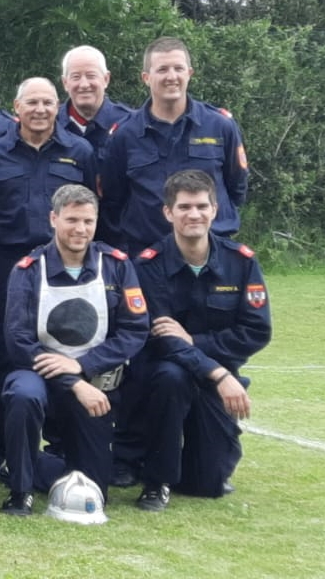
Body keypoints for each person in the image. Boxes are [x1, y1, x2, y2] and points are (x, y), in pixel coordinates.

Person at [0, 185, 149, 515]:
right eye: (71, 220)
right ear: (53, 219)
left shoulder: (117, 266)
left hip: (94, 379)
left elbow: (134, 330)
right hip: (39, 375)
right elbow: (18, 340)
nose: (80, 229)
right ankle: (19, 490)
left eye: (87, 221)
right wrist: (73, 381)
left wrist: (84, 367)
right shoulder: (26, 270)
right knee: (22, 394)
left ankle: (34, 463)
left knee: (94, 489)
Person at [0, 78, 96, 476]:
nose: (40, 109)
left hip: (63, 266)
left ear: (57, 106)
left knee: (66, 347)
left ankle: (59, 443)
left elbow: (94, 211)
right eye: (32, 103)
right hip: (5, 265)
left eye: (47, 102)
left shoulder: (79, 152)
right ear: (16, 107)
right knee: (0, 355)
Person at [129, 170, 271, 511]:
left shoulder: (241, 263)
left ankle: (200, 461)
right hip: (164, 374)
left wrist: (195, 341)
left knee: (206, 484)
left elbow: (256, 331)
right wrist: (219, 374)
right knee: (170, 377)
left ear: (215, 210)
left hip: (214, 376)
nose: (193, 214)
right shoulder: (148, 266)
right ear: (168, 213)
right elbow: (163, 340)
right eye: (184, 207)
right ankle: (156, 482)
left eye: (201, 206)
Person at [101, 37, 248, 251]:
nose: (171, 77)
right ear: (146, 77)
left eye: (178, 68)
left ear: (189, 73)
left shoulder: (220, 125)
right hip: (149, 257)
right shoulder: (124, 135)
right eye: (162, 70)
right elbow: (114, 199)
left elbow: (237, 187)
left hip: (214, 252)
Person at [57, 45, 133, 151]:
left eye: (91, 76)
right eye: (76, 77)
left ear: (106, 79)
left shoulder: (129, 123)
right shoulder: (50, 125)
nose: (84, 84)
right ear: (65, 83)